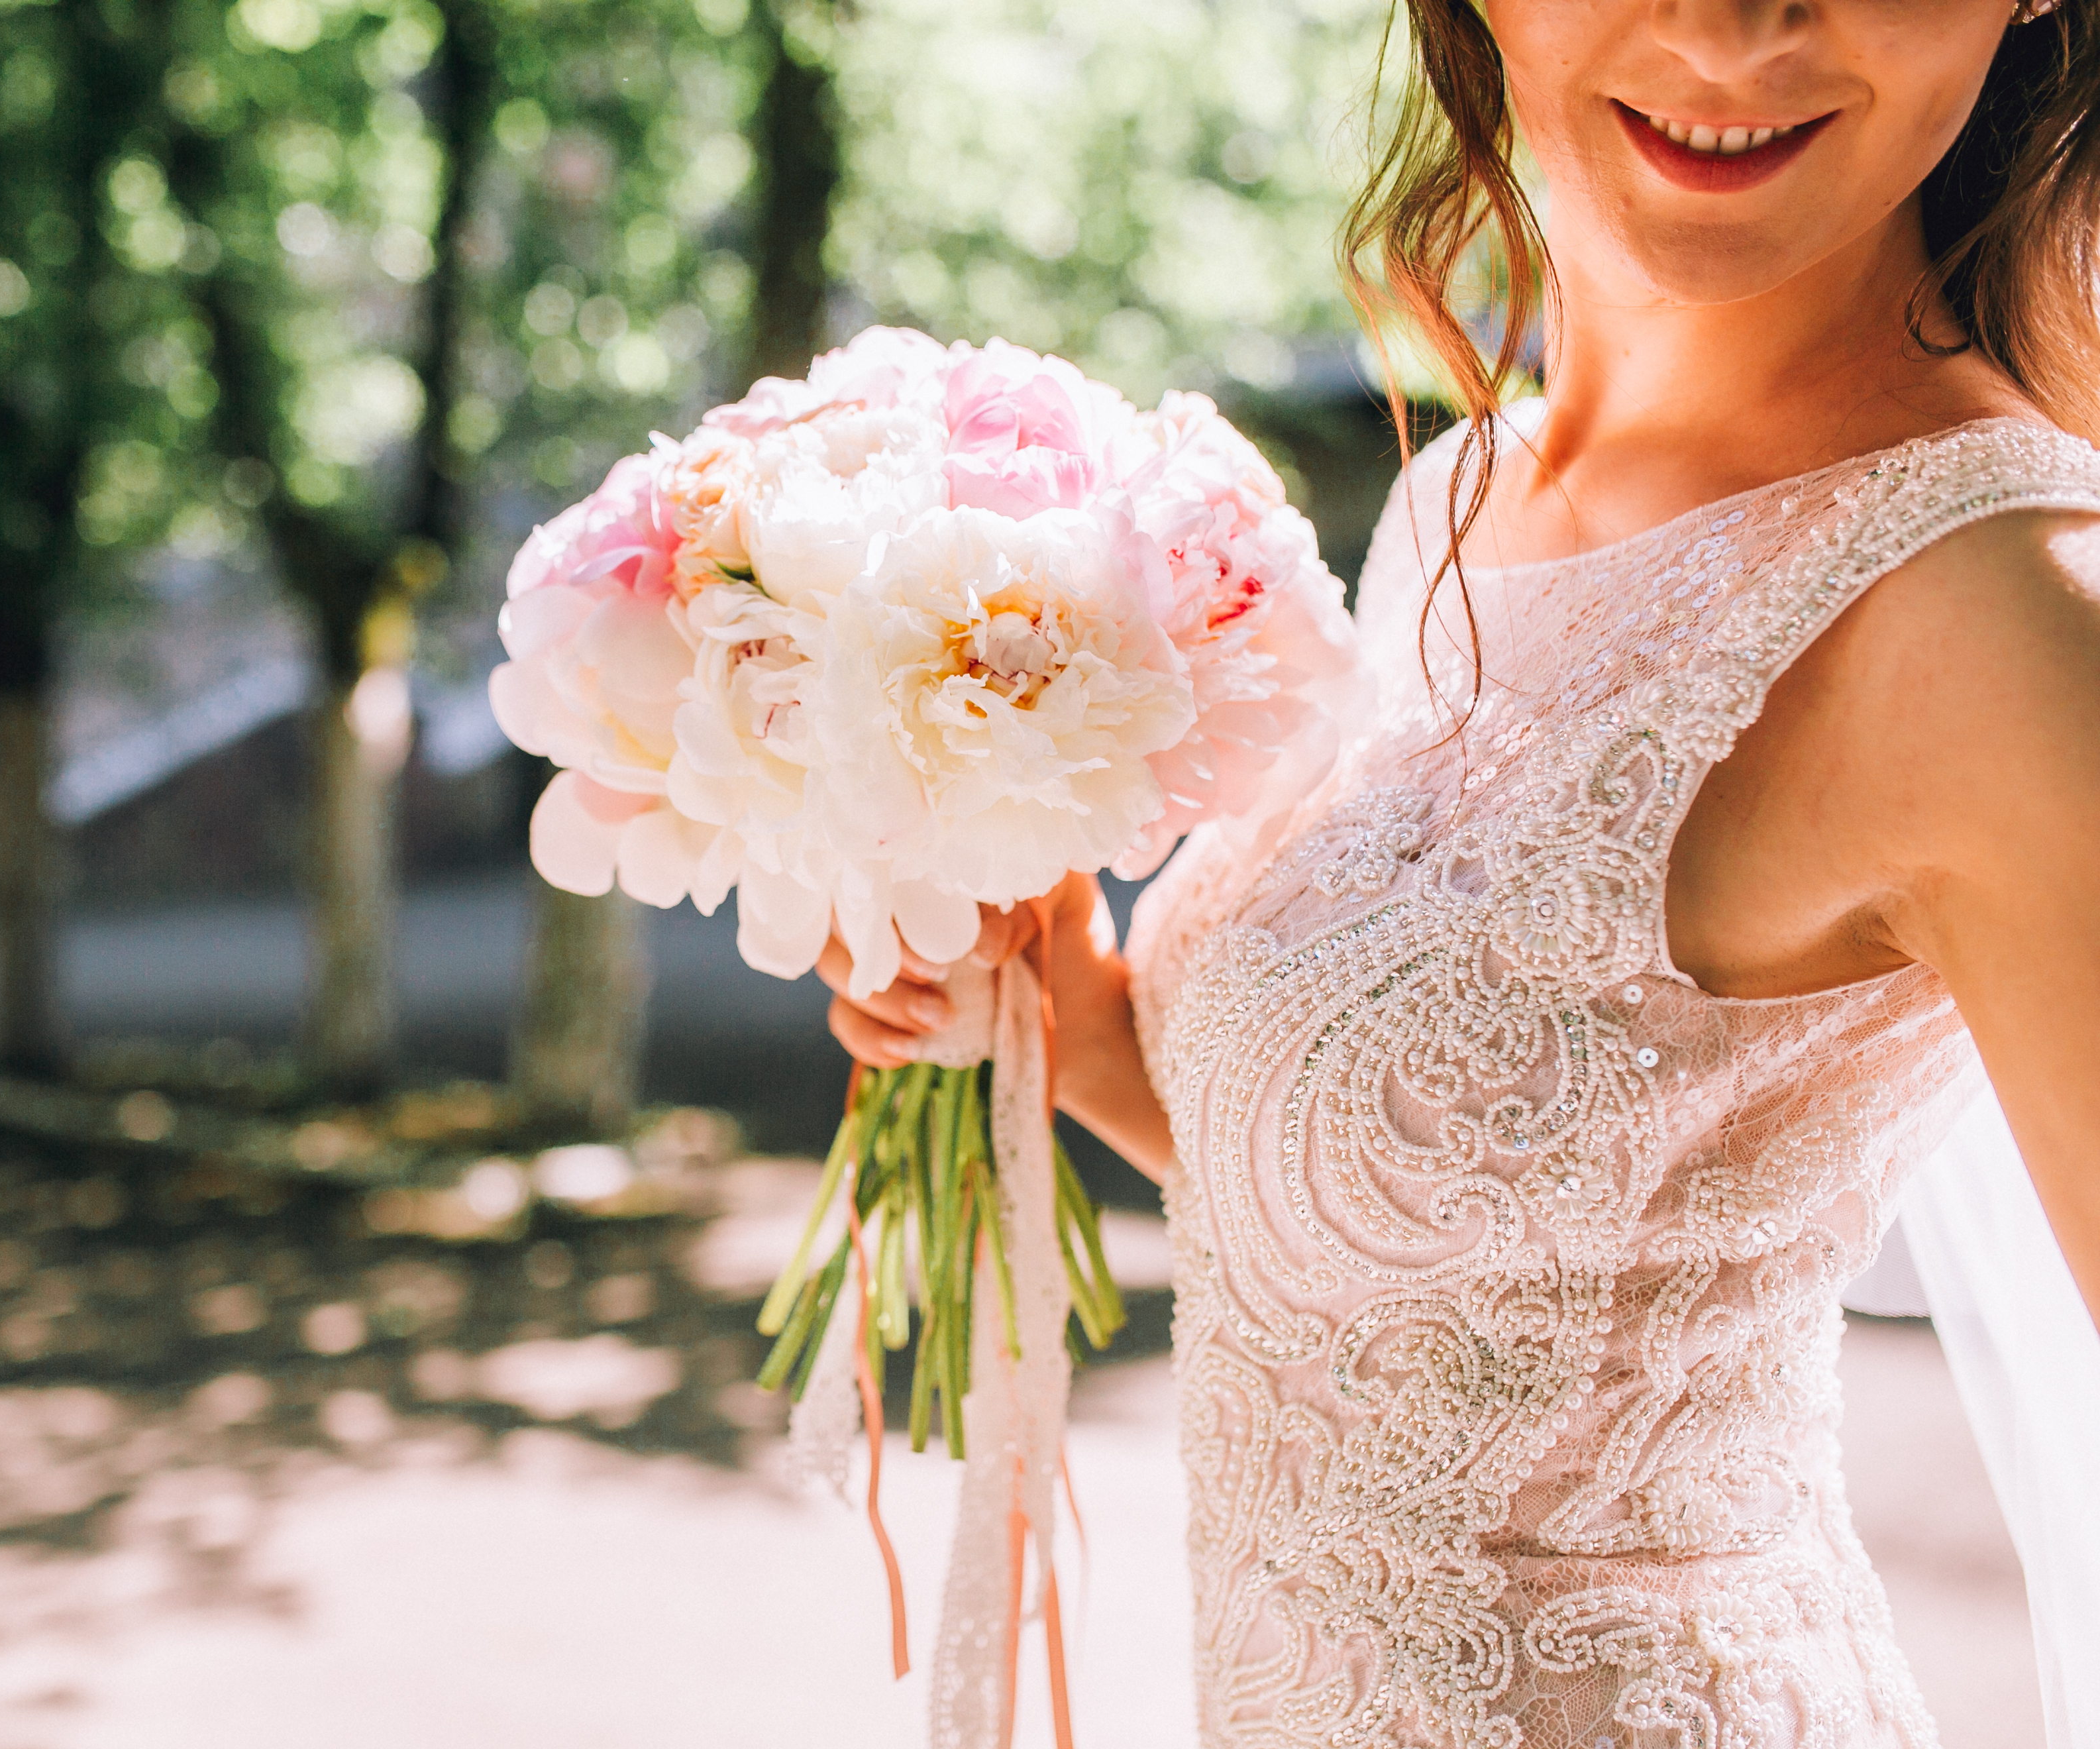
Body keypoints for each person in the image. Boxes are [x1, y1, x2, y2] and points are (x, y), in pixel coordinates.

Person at [819, 1, 2100, 1741]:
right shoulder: (1471, 489)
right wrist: (1061, 1002)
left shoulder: (2012, 618)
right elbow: (1425, 1256)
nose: (1734, 26)